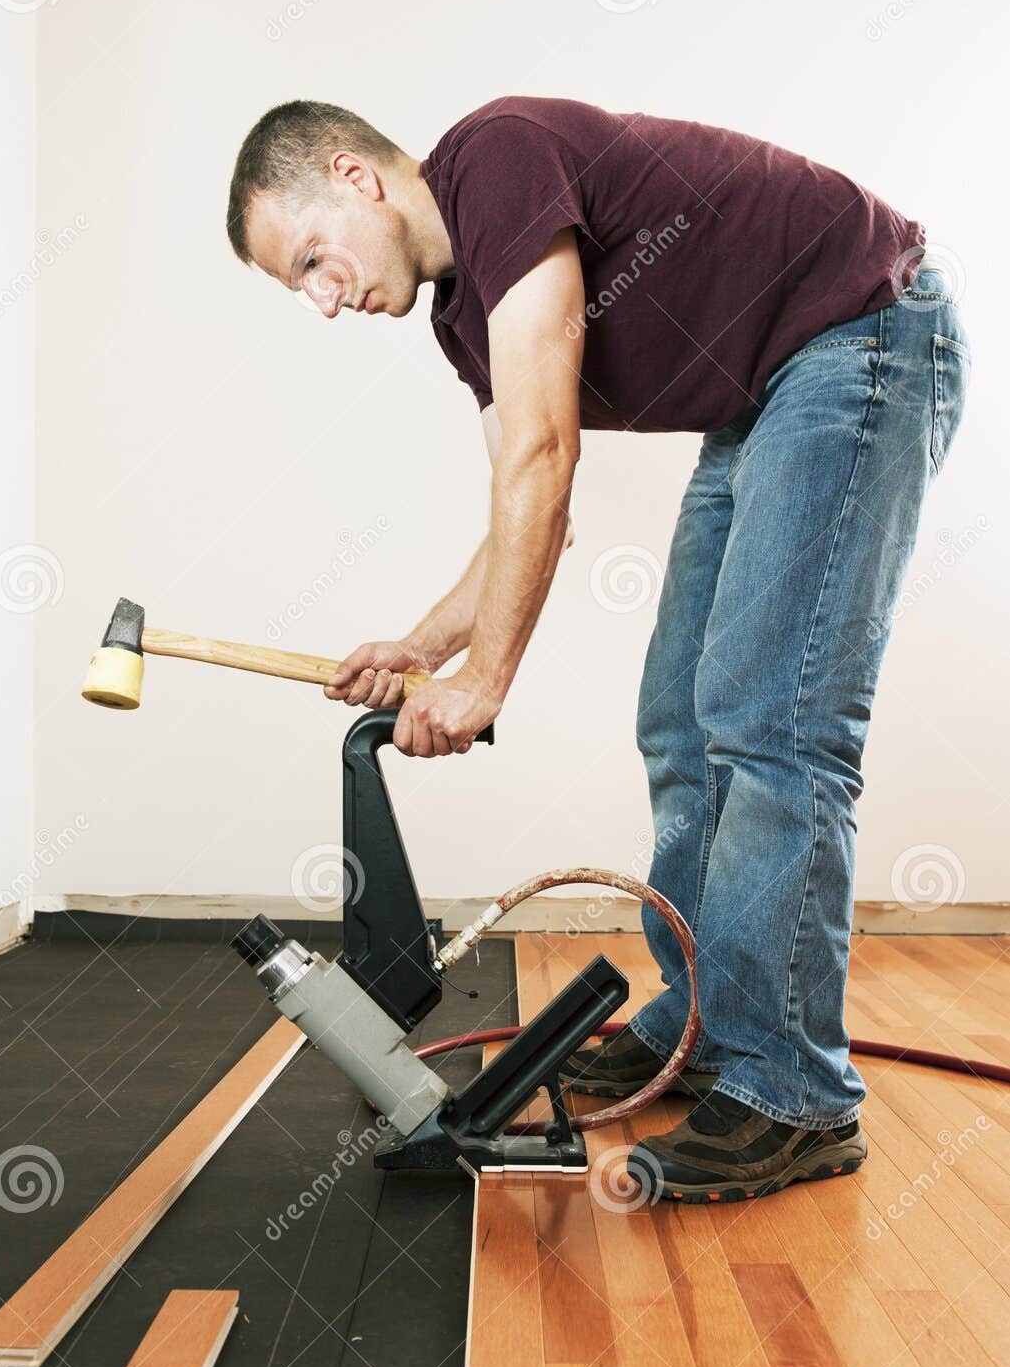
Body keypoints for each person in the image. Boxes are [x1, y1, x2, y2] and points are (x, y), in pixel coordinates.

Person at [226, 95, 972, 1202]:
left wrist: (485, 680)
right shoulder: (461, 314)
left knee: (775, 722)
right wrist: (421, 646)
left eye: (313, 259)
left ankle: (795, 1093)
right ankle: (708, 1024)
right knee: (681, 717)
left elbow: (545, 453)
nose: (325, 300)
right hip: (766, 393)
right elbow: (527, 512)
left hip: (863, 332)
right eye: (302, 290)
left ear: (356, 176)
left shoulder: (495, 160)